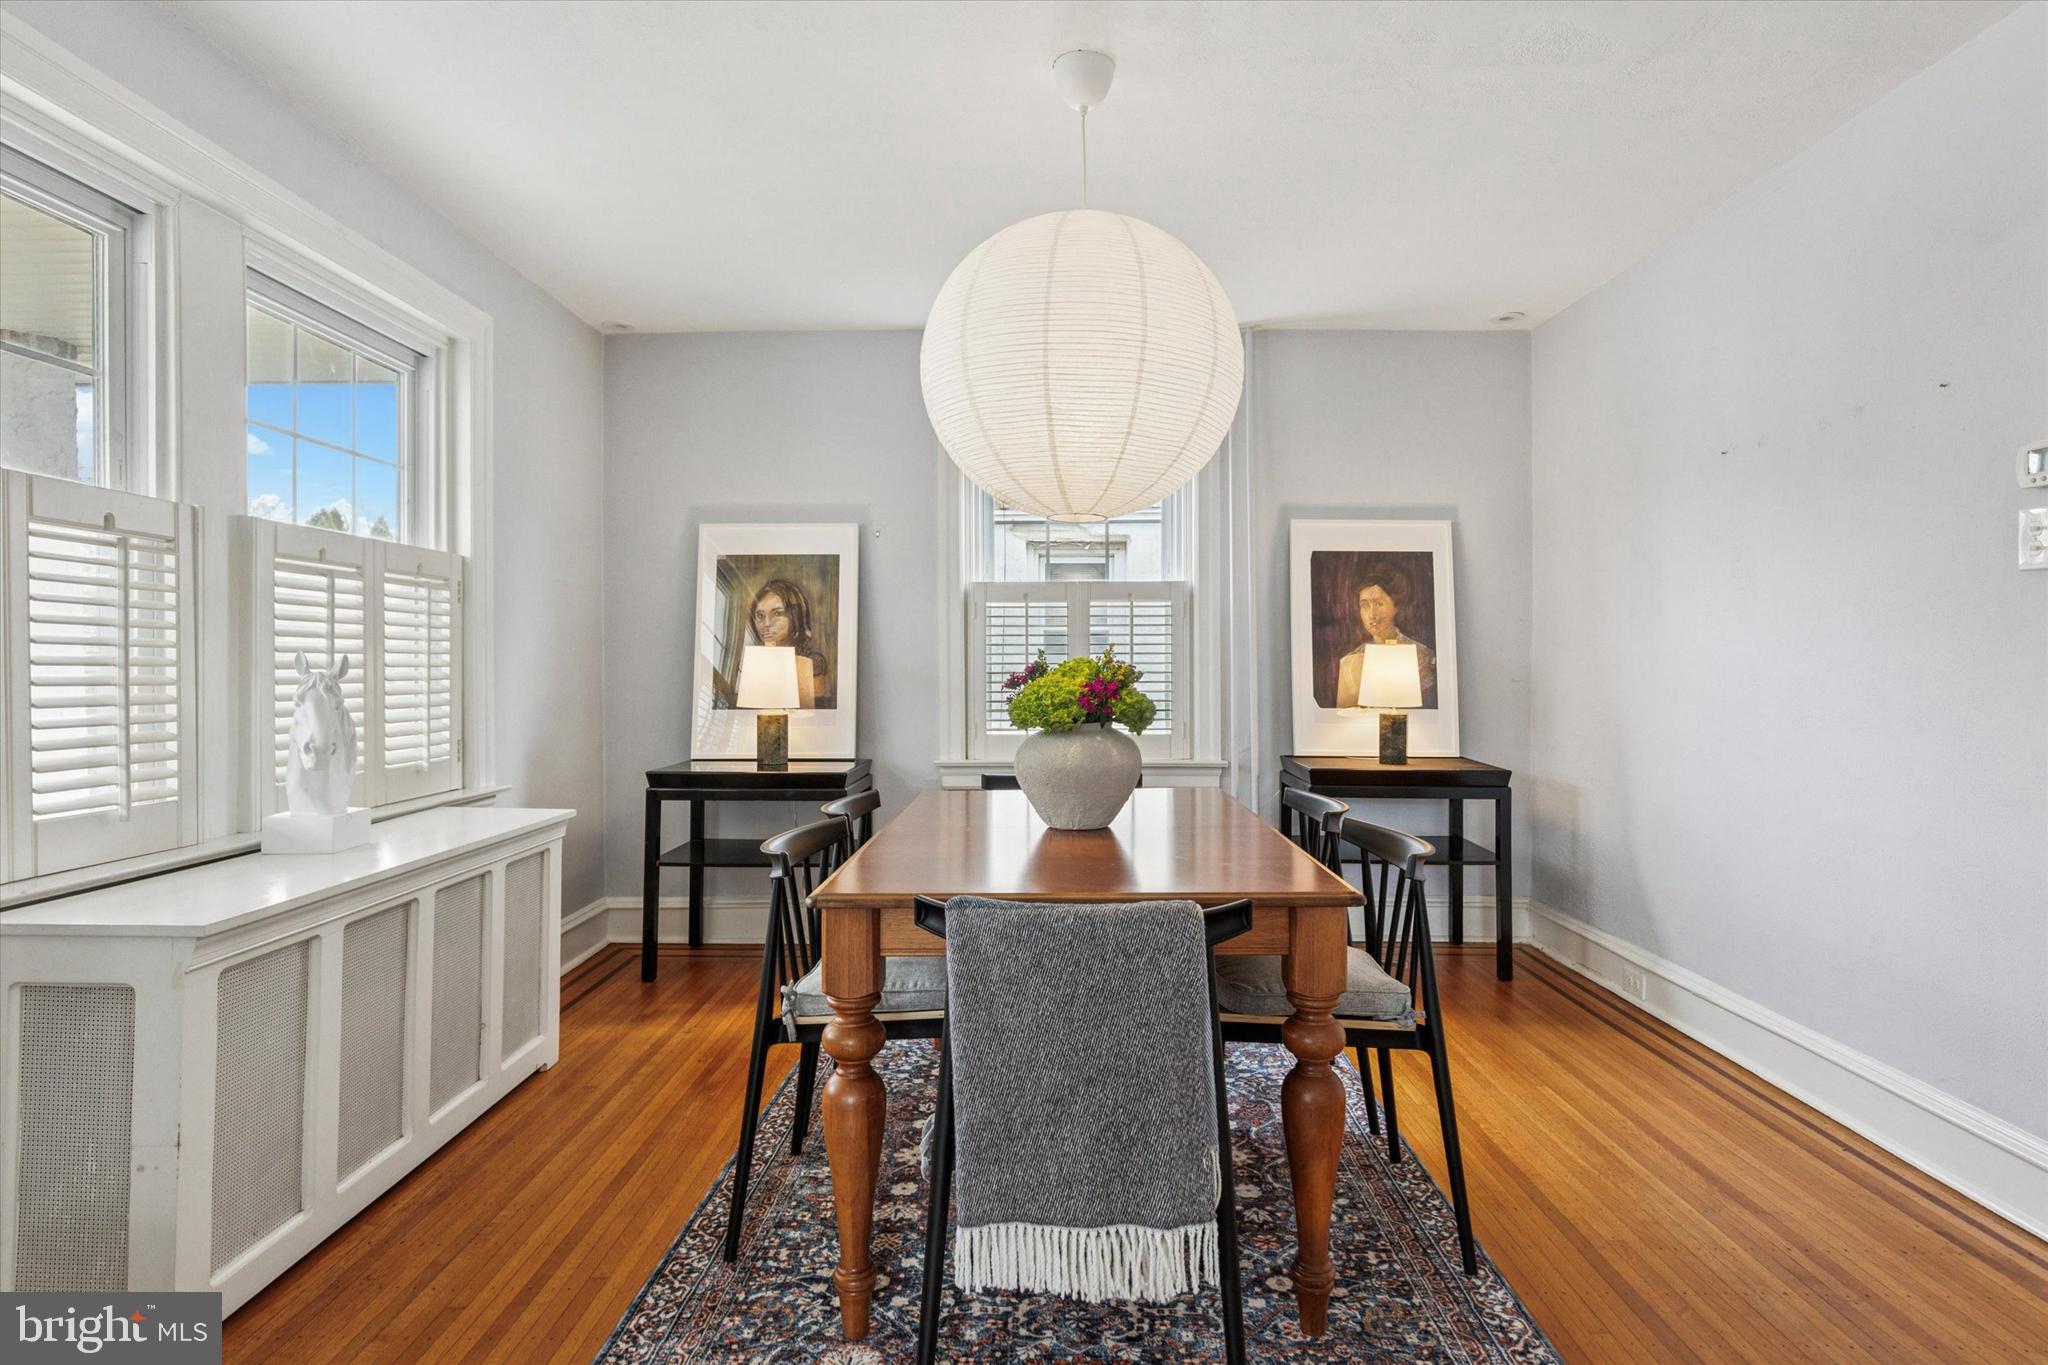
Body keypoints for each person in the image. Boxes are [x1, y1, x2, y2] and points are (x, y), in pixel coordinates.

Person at [1334, 570, 1436, 710]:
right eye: (1365, 605)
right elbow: (1344, 716)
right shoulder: (1350, 663)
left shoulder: (1424, 657)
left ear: (1396, 606)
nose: (1372, 614)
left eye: (1379, 604)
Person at [749, 577, 834, 708]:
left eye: (777, 613)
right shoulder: (754, 663)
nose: (766, 624)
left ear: (795, 616)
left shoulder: (812, 663)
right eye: (760, 616)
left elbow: (814, 708)